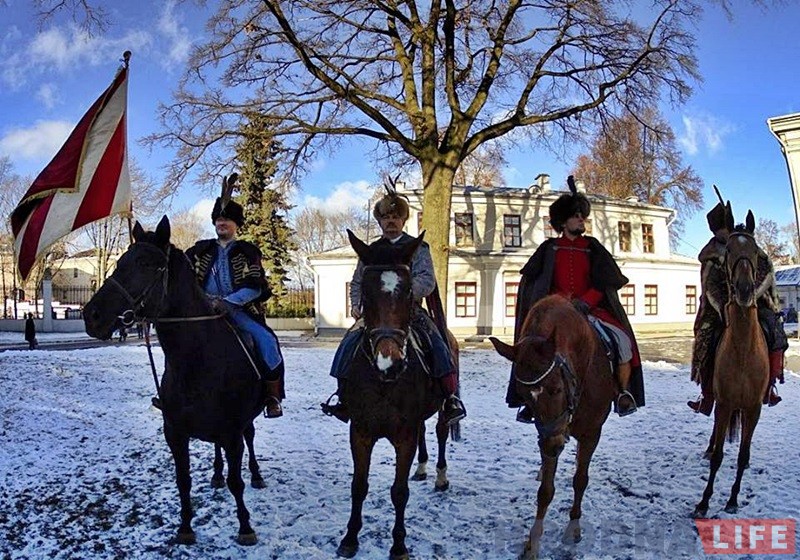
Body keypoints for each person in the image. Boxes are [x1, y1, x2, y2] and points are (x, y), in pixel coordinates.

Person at [321, 190, 467, 425]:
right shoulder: (371, 250)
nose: (390, 221)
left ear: (403, 220)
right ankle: (343, 398)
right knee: (347, 345)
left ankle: (449, 398)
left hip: (409, 310)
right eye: (385, 217)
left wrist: (403, 296)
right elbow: (358, 280)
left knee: (439, 344)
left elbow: (427, 280)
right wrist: (356, 305)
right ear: (379, 221)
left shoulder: (419, 248)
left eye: (395, 217)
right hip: (376, 313)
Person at [507, 177, 644, 422]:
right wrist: (556, 305)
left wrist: (587, 301)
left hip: (591, 311)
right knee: (532, 350)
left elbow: (606, 281)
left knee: (623, 343)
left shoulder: (593, 247)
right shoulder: (549, 248)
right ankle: (530, 399)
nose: (581, 219)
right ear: (563, 221)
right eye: (575, 215)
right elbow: (536, 285)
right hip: (556, 314)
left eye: (582, 215)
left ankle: (622, 393)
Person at [182, 178, 284, 418]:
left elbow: (256, 287)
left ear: (236, 224)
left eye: (226, 219)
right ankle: (177, 394)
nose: (221, 223)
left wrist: (228, 302)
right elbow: (181, 273)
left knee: (267, 341)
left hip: (238, 311)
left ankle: (272, 397)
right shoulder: (200, 249)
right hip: (203, 310)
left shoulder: (248, 251)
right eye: (218, 219)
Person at [688, 200, 786, 415]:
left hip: (756, 303)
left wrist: (751, 296)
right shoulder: (711, 255)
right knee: (706, 338)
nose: (723, 233)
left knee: (776, 333)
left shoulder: (752, 249)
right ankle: (708, 394)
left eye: (725, 229)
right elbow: (710, 286)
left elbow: (765, 275)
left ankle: (769, 386)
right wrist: (726, 306)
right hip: (719, 308)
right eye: (720, 230)